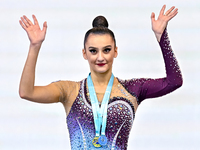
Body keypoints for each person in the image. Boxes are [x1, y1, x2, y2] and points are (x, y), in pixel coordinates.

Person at [19, 5, 183, 150]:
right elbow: (27, 92)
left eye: (106, 50)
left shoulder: (132, 90)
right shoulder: (70, 91)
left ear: (115, 51)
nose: (100, 57)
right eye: (93, 51)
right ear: (84, 53)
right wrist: (35, 46)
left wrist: (162, 37)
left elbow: (174, 81)